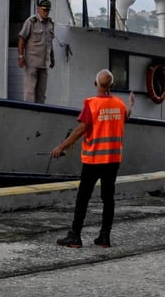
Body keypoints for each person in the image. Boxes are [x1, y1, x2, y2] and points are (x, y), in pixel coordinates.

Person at [51, 69, 133, 249]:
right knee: (108, 198)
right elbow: (125, 118)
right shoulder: (119, 105)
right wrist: (131, 106)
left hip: (94, 159)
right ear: (112, 86)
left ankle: (75, 236)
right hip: (113, 159)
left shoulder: (92, 104)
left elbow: (81, 129)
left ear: (95, 84)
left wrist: (61, 147)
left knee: (83, 197)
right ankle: (104, 237)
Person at [17, 0, 55, 103]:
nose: (45, 12)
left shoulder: (51, 23)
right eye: (43, 10)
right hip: (32, 62)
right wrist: (21, 56)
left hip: (44, 63)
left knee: (41, 93)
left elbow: (50, 43)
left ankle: (40, 113)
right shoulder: (31, 21)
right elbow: (22, 38)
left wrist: (52, 58)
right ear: (38, 9)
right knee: (30, 91)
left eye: (47, 10)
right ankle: (29, 113)